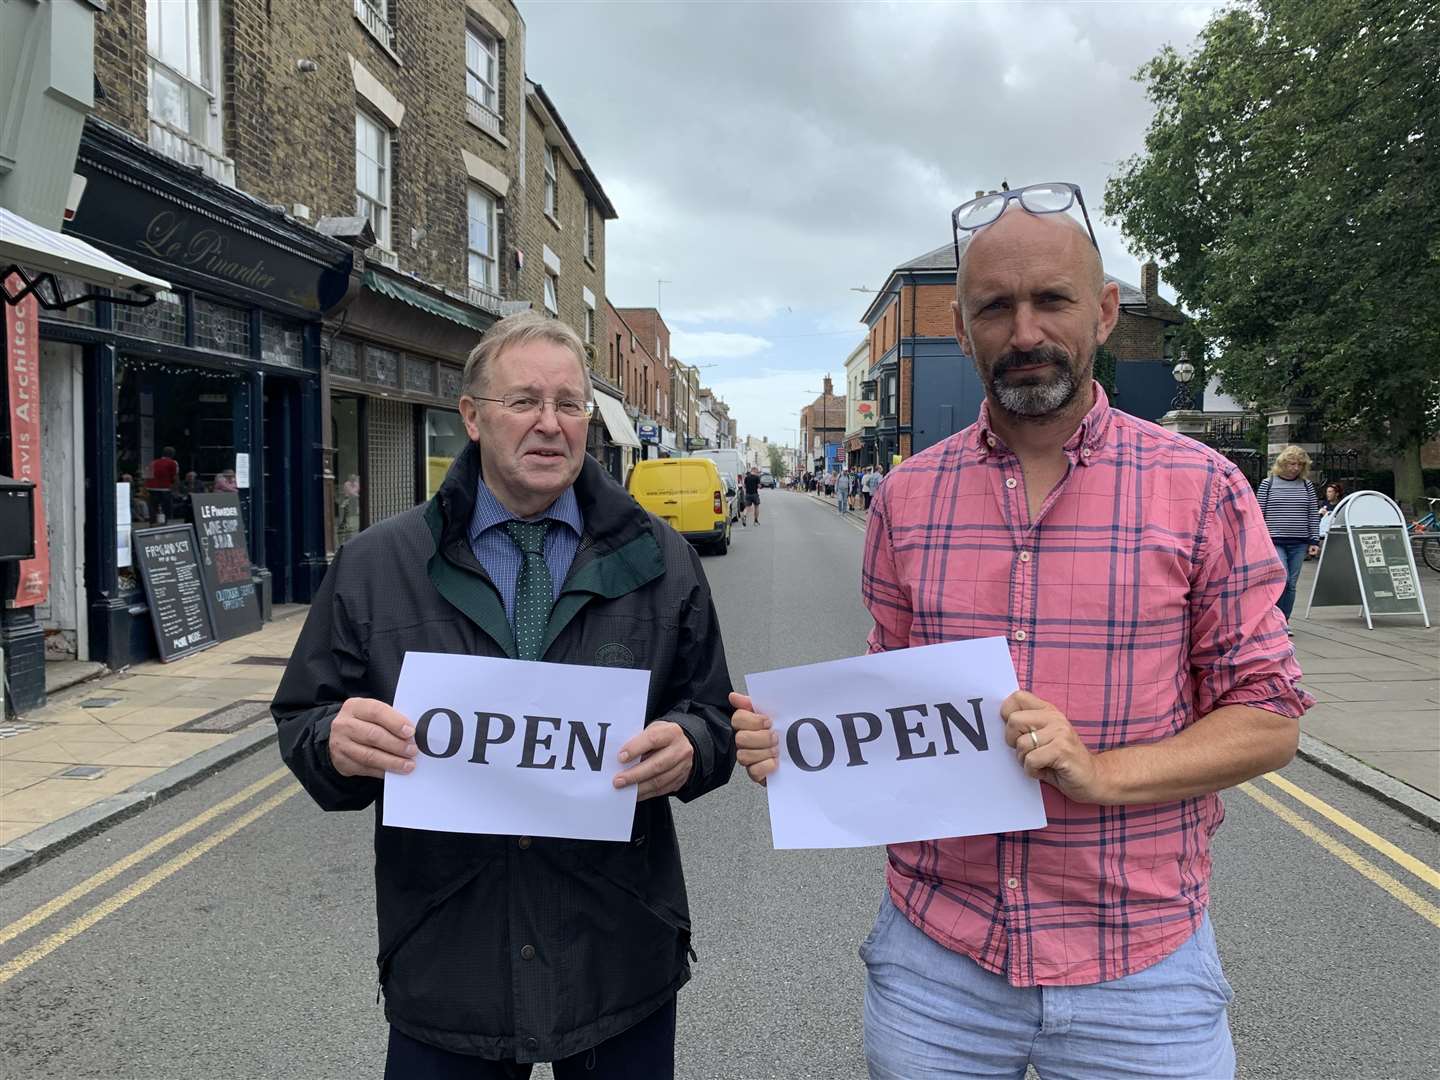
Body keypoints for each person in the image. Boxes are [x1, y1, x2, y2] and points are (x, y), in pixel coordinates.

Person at [731, 189, 1309, 1080]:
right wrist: (806, 749)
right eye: (996, 307)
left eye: (1053, 300)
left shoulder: (1202, 489)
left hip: (1142, 968)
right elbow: (895, 699)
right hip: (937, 965)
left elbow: (1270, 716)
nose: (1025, 330)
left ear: (1105, 312)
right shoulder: (906, 498)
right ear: (963, 330)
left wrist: (1102, 772)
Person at [273, 312, 736, 1080]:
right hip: (450, 958)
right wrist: (333, 741)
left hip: (617, 951)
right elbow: (304, 719)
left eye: (569, 404)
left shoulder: (664, 560)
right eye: (524, 401)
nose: (550, 425)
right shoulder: (373, 564)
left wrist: (693, 744)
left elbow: (713, 713)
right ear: (472, 417)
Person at [1256, 446, 1321, 633]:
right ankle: (1273, 619)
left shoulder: (1305, 485)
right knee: (1282, 579)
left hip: (1299, 541)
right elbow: (1259, 513)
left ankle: (1284, 620)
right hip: (1274, 539)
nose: (1295, 468)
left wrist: (1314, 541)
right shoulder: (1268, 483)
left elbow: (1312, 513)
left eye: (1299, 465)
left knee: (1291, 583)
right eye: (1292, 464)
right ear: (1283, 464)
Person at [146, 446, 179, 523]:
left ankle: (153, 522)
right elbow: (175, 476)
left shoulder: (153, 462)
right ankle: (168, 521)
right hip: (165, 487)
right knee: (167, 506)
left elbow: (148, 474)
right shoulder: (173, 463)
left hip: (152, 487)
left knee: (153, 506)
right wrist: (175, 489)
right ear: (172, 454)